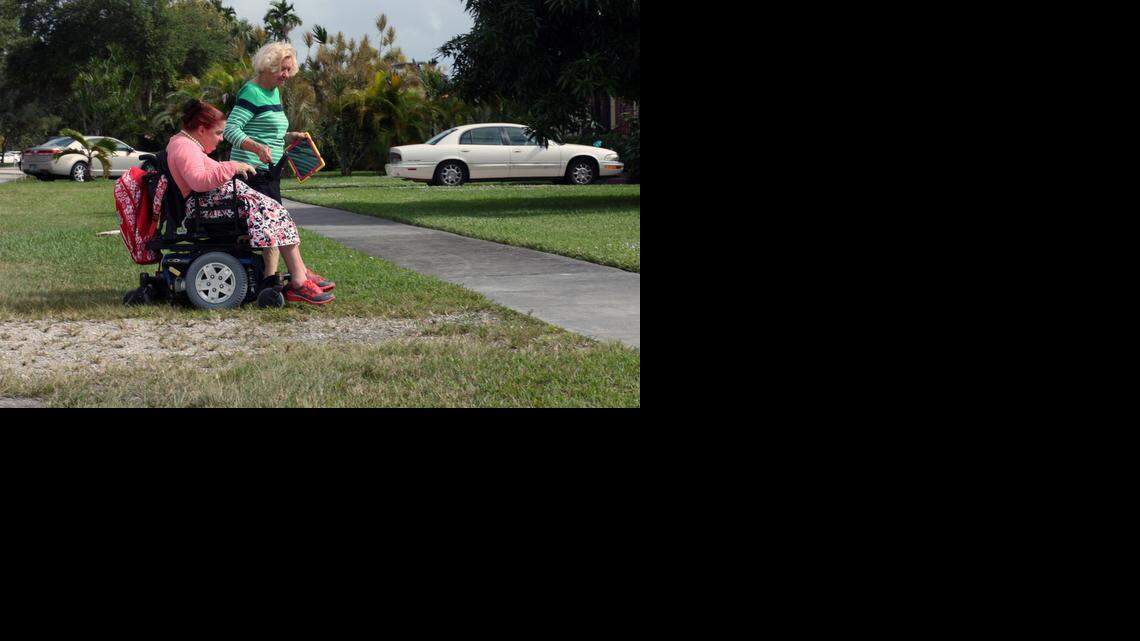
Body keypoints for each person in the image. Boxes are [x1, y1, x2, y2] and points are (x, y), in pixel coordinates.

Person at [166, 99, 334, 305]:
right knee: (276, 214)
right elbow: (198, 182)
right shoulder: (185, 147)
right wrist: (232, 166)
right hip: (209, 209)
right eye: (218, 133)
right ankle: (299, 279)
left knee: (277, 213)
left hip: (214, 206)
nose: (221, 139)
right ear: (201, 130)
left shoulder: (184, 144)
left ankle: (300, 274)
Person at [224, 41, 333, 292]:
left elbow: (267, 129)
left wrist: (290, 136)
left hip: (269, 172)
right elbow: (230, 129)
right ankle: (294, 277)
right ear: (267, 66)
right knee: (276, 224)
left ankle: (284, 277)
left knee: (276, 226)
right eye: (282, 70)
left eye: (288, 70)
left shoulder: (273, 91)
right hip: (252, 173)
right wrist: (256, 148)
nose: (286, 75)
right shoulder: (251, 92)